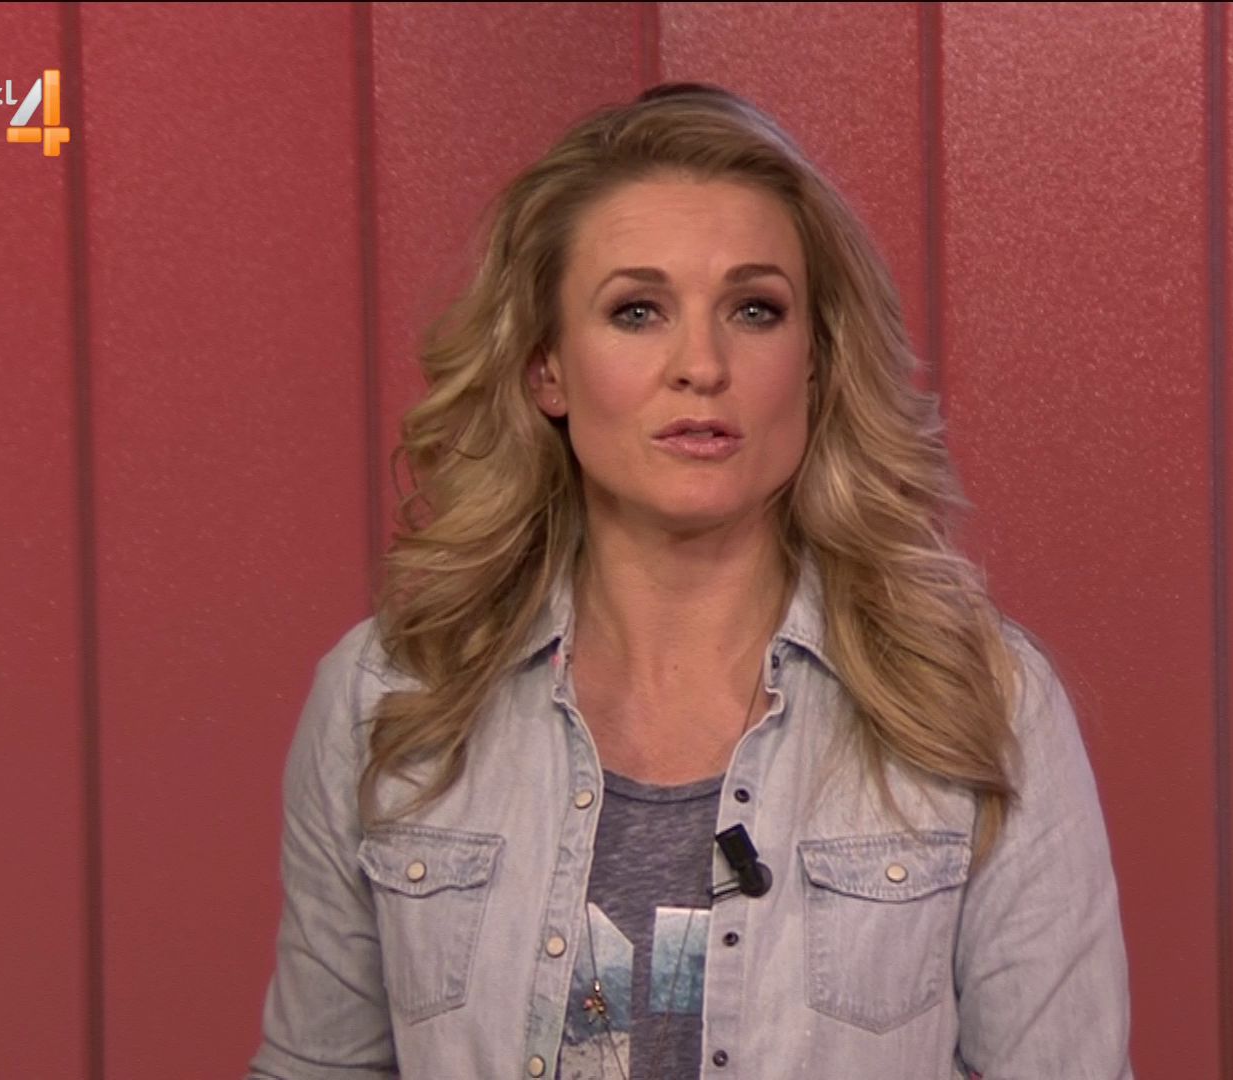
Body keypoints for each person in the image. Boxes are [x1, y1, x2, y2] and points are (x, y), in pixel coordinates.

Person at [247, 82, 1133, 1080]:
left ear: (814, 363)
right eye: (637, 311)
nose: (701, 365)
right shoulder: (389, 696)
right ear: (546, 369)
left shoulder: (980, 701)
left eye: (755, 310)